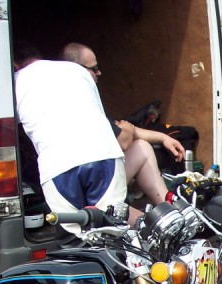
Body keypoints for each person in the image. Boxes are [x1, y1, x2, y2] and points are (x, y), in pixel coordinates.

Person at [13, 41, 126, 235]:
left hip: (58, 167)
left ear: (15, 65)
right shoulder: (77, 71)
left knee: (73, 240)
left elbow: (8, 127)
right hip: (103, 154)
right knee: (111, 232)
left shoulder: (14, 81)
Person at [61, 42, 185, 207]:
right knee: (139, 149)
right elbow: (124, 139)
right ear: (77, 70)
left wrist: (163, 138)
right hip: (79, 190)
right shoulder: (74, 102)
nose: (99, 72)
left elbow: (123, 129)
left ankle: (168, 209)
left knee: (141, 146)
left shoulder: (84, 97)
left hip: (92, 181)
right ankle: (167, 213)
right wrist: (128, 129)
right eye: (94, 68)